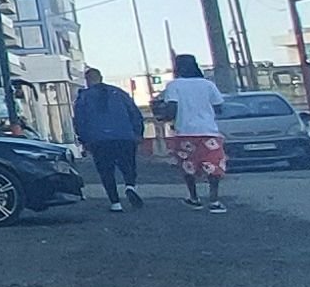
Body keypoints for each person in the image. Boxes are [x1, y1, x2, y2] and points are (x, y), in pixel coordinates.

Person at [155, 52, 230, 212]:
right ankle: (214, 200)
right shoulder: (208, 84)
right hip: (209, 131)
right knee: (213, 165)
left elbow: (172, 108)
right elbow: (219, 107)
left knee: (188, 165)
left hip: (185, 131)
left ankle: (194, 197)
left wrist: (165, 117)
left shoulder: (174, 86)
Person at [70, 66, 147, 209]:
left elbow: (80, 120)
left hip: (99, 138)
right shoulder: (119, 93)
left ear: (87, 80)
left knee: (106, 170)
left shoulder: (84, 97)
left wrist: (83, 139)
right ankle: (130, 186)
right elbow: (135, 113)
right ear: (101, 77)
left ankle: (115, 202)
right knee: (128, 165)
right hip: (124, 135)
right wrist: (138, 133)